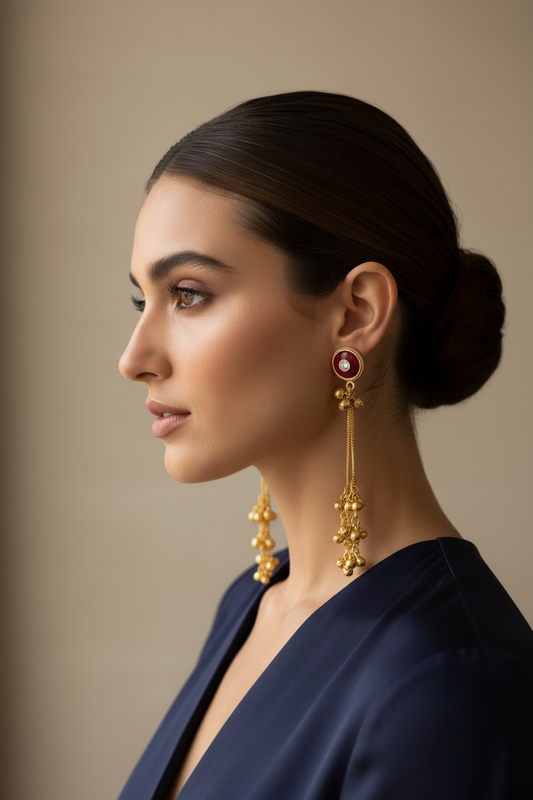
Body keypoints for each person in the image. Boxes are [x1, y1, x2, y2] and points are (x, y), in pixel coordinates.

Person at [117, 92, 533, 800]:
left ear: (356, 312)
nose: (135, 357)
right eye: (140, 300)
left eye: (188, 293)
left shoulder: (449, 681)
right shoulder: (253, 602)